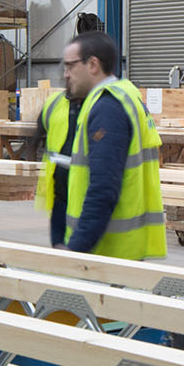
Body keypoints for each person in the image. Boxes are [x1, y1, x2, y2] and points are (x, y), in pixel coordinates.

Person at [60, 32, 165, 260]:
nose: (66, 74)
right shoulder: (126, 94)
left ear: (93, 64)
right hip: (121, 251)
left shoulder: (107, 108)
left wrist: (76, 248)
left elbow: (103, 188)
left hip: (107, 253)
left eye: (70, 66)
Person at [30, 82, 85, 248]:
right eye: (66, 70)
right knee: (59, 244)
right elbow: (35, 138)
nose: (68, 75)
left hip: (85, 192)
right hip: (59, 190)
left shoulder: (97, 105)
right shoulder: (54, 103)